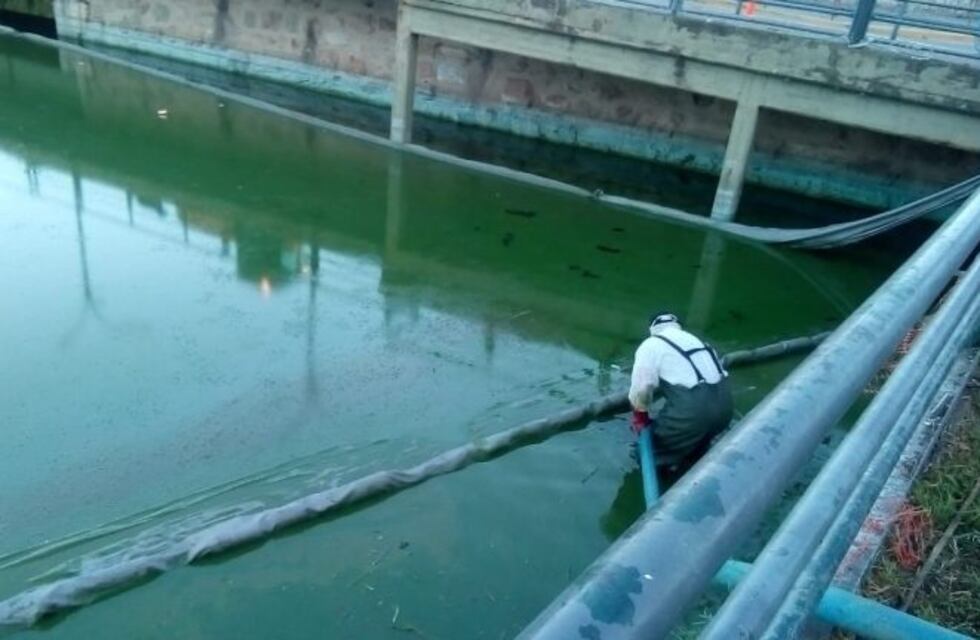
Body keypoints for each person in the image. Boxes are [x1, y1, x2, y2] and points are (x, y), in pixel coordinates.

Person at [628, 312, 733, 472]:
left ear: (652, 328)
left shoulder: (651, 344)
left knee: (650, 453)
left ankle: (666, 491)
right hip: (725, 409)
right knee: (696, 456)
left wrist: (641, 417)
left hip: (693, 414)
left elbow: (642, 387)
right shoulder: (697, 341)